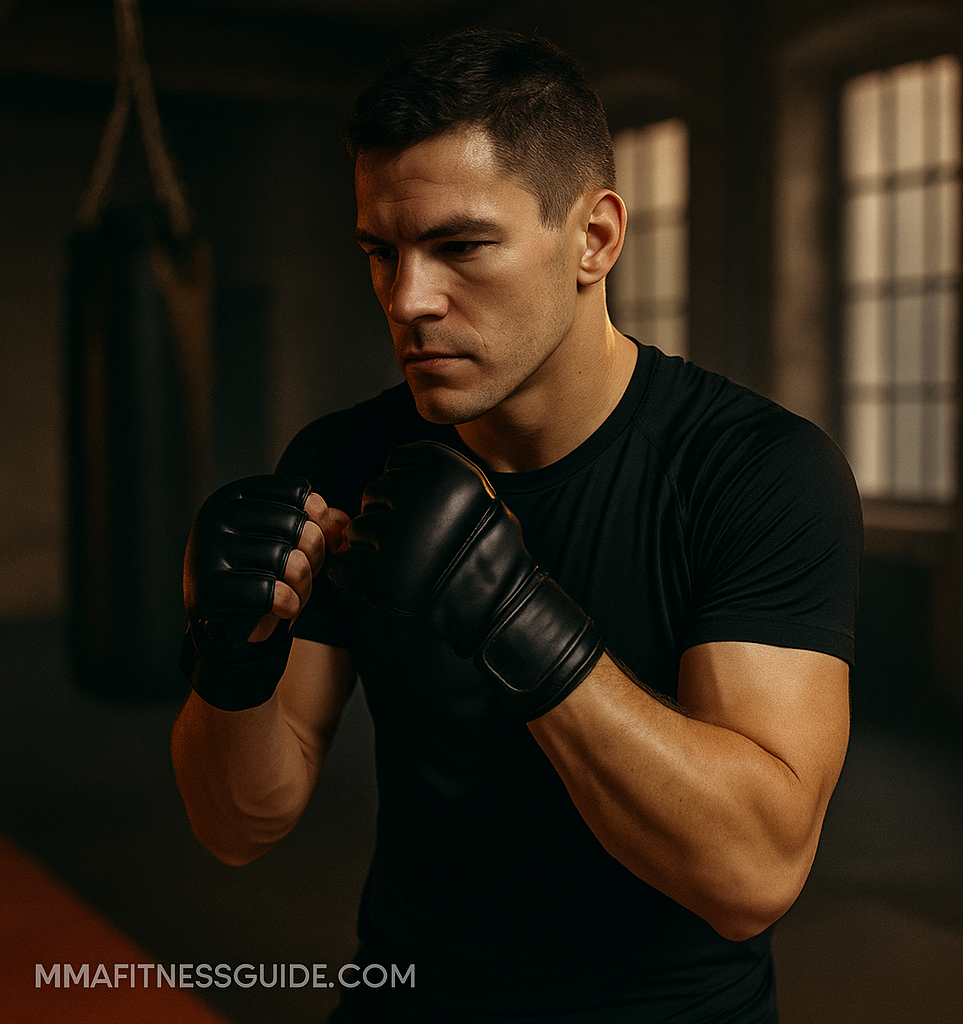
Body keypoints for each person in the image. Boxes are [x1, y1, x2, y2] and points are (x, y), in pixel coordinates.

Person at [172, 28, 862, 1024]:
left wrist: (516, 618)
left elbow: (753, 873)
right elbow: (238, 827)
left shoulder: (756, 472)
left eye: (460, 247)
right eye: (381, 252)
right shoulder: (345, 460)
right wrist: (230, 664)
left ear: (595, 238)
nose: (408, 300)